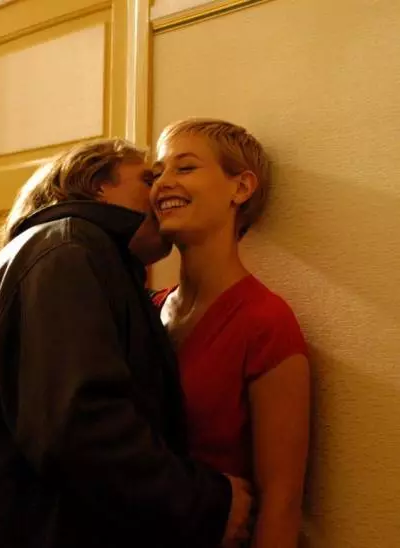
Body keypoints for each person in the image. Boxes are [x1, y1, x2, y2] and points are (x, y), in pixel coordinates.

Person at [0, 138, 254, 548]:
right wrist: (207, 505)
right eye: (148, 178)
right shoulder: (68, 251)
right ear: (96, 185)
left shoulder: (38, 257)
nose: (160, 190)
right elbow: (81, 425)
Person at [150, 119, 310, 547]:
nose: (162, 183)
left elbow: (282, 503)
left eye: (185, 168)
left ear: (241, 188)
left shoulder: (265, 321)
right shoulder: (145, 309)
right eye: (157, 172)